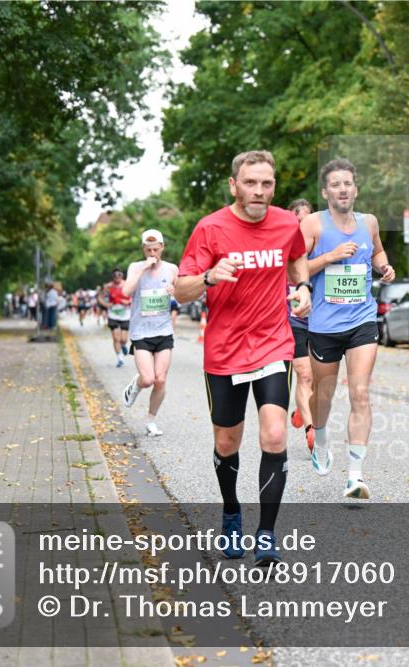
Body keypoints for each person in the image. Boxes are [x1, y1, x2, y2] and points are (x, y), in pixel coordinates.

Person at [174, 150, 311, 566]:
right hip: (225, 351)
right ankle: (231, 511)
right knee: (227, 442)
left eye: (266, 183)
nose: (259, 191)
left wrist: (302, 286)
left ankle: (266, 534)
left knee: (273, 436)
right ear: (234, 185)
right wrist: (208, 277)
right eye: (250, 183)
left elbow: (297, 255)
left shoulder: (287, 222)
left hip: (273, 344)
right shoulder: (210, 228)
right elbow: (180, 289)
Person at [300, 158, 395, 499]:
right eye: (335, 184)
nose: (343, 189)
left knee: (360, 393)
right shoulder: (312, 224)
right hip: (324, 324)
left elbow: (378, 251)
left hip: (362, 319)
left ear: (356, 188)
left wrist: (383, 266)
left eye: (348, 184)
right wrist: (330, 257)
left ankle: (355, 476)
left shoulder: (369, 222)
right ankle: (320, 437)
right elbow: (294, 269)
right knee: (323, 395)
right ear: (326, 191)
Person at [120, 230, 178, 437]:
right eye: (148, 249)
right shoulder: (135, 267)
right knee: (147, 379)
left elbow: (181, 294)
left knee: (160, 379)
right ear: (143, 249)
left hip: (163, 330)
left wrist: (174, 291)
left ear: (162, 247)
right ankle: (134, 387)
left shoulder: (171, 269)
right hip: (141, 332)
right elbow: (126, 291)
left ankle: (151, 421)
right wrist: (143, 268)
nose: (152, 252)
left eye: (156, 248)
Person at [286, 198, 316, 450]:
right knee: (304, 375)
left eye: (305, 221)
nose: (301, 226)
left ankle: (301, 409)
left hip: (320, 322)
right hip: (293, 319)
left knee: (318, 380)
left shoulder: (319, 244)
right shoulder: (284, 246)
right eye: (297, 221)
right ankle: (310, 431)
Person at [99, 268, 132, 368]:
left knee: (123, 339)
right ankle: (119, 358)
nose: (117, 278)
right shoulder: (108, 286)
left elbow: (134, 296)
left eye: (119, 275)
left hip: (125, 314)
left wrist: (128, 302)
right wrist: (106, 304)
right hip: (113, 314)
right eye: (115, 276)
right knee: (115, 337)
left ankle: (123, 345)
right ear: (112, 277)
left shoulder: (128, 284)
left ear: (122, 276)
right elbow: (100, 297)